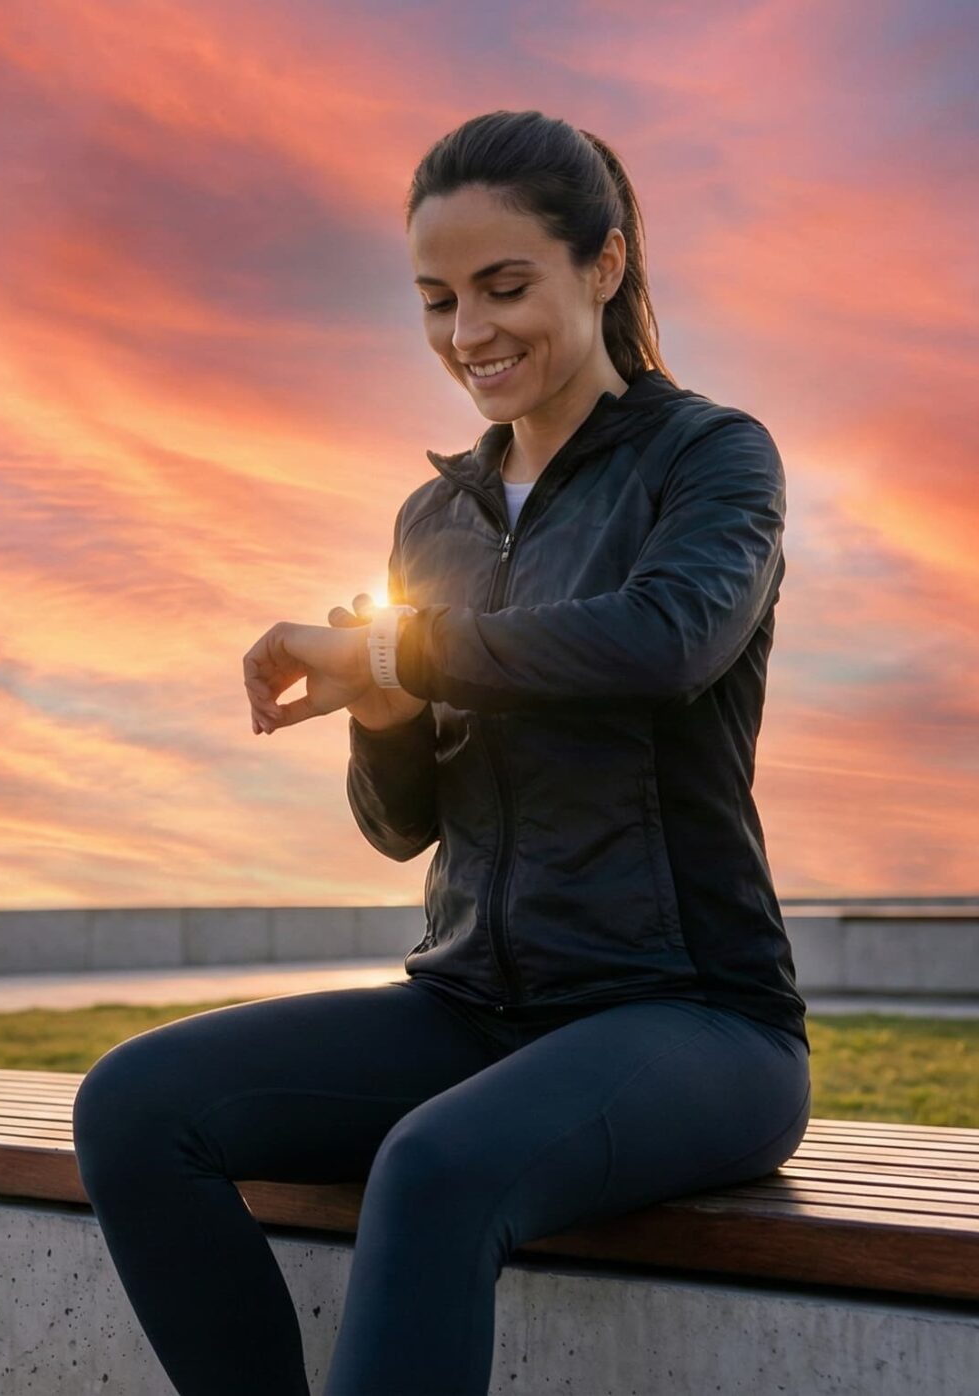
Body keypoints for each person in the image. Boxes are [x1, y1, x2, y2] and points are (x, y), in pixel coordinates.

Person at [69, 109, 811, 1396]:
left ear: (604, 263)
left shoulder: (709, 458)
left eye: (503, 286)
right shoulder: (434, 517)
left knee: (432, 1166)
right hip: (470, 1009)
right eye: (436, 299)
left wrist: (397, 651)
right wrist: (383, 712)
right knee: (132, 1104)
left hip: (692, 1019)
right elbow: (401, 823)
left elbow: (664, 642)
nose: (469, 331)